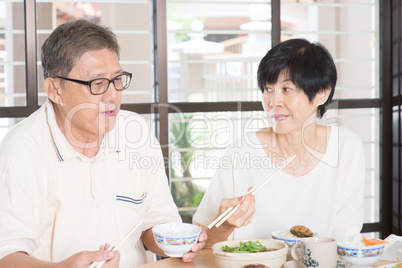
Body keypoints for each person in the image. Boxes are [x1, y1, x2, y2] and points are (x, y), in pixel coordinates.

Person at [0, 19, 206, 267]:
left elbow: (153, 226)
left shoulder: (135, 132)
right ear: (55, 90)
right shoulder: (23, 150)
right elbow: (7, 257)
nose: (113, 96)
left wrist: (178, 242)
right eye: (97, 84)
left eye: (117, 80)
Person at [193, 38, 365, 248]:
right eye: (268, 89)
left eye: (287, 89)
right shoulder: (243, 151)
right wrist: (226, 225)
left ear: (322, 93)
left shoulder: (346, 148)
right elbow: (202, 243)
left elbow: (345, 241)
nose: (273, 102)